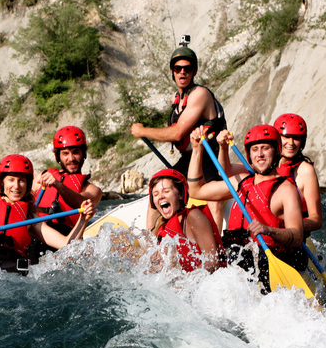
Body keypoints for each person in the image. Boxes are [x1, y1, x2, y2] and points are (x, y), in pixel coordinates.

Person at [186, 124, 306, 289]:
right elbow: (195, 190)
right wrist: (197, 149)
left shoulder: (286, 189)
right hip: (235, 260)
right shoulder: (240, 181)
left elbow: (297, 237)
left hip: (268, 263)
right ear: (249, 155)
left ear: (276, 151)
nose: (260, 154)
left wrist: (268, 230)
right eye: (255, 149)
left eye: (265, 148)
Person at [130, 42, 229, 231]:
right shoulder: (177, 100)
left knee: (213, 201)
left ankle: (216, 249)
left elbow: (177, 133)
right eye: (178, 68)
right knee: (157, 189)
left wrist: (142, 131)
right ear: (172, 71)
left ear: (193, 72)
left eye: (187, 69)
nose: (182, 73)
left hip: (210, 156)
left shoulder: (199, 94)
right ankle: (152, 241)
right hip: (189, 158)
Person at [0, 154, 95, 274]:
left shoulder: (30, 218)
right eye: (11, 180)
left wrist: (84, 219)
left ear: (28, 184)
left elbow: (66, 245)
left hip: (12, 277)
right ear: (2, 182)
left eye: (22, 180)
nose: (16, 186)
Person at [147, 168, 223, 273]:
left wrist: (184, 282)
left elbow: (213, 262)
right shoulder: (162, 228)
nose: (160, 196)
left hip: (205, 284)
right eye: (155, 194)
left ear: (180, 195)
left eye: (166, 191)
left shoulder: (194, 217)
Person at [32, 126, 102, 236]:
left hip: (66, 240)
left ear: (84, 154)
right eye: (65, 153)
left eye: (76, 152)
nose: (71, 158)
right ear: (57, 157)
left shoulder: (92, 189)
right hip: (36, 233)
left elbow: (82, 204)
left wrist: (58, 185)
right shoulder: (41, 177)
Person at [273, 113, 323, 237]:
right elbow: (227, 170)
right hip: (267, 235)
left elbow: (316, 219)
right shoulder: (264, 165)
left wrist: (289, 226)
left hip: (293, 240)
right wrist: (224, 147)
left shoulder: (305, 170)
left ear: (302, 141)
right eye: (286, 137)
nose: (291, 143)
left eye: (296, 138)